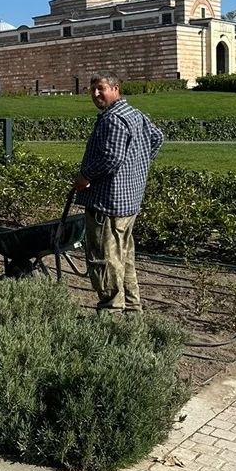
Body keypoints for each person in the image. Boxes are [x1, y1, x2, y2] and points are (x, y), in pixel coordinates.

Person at [72, 73, 164, 314]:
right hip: (129, 201)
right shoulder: (135, 114)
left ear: (116, 88)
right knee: (125, 258)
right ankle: (132, 310)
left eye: (101, 89)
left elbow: (110, 158)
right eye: (92, 90)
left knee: (105, 260)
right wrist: (136, 166)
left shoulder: (112, 119)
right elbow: (157, 138)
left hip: (108, 203)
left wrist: (85, 177)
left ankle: (111, 314)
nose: (95, 94)